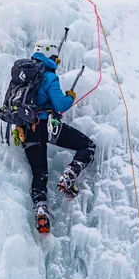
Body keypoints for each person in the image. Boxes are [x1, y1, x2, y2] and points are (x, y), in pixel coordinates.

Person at [21, 39, 96, 233]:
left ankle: (41, 209)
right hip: (46, 126)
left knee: (40, 173)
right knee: (88, 146)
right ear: (48, 55)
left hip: (26, 130)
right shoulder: (48, 77)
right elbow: (61, 105)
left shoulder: (23, 75)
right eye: (54, 57)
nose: (56, 60)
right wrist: (70, 96)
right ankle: (69, 176)